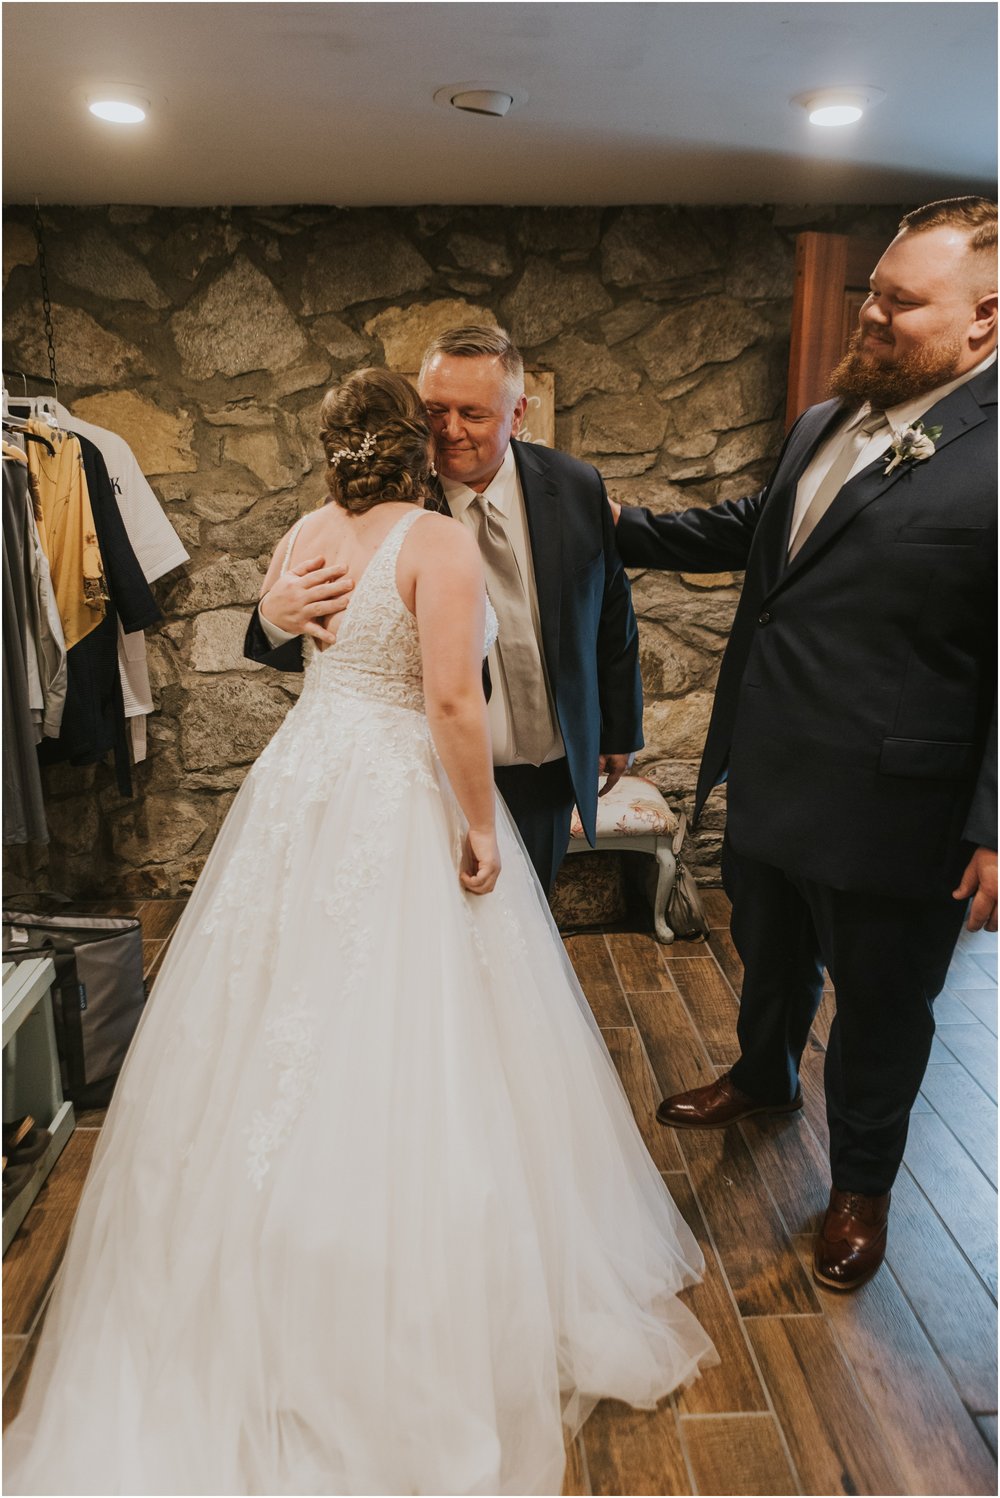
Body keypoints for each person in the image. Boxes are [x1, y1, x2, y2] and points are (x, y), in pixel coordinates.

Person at [5, 369, 713, 1497]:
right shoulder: (436, 544)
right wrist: (479, 824)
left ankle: (250, 1251)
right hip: (391, 781)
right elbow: (448, 701)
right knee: (417, 1014)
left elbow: (299, 646)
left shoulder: (303, 527)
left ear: (331, 447)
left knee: (273, 1002)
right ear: (413, 447)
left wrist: (277, 615)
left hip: (303, 782)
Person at [609, 197, 997, 1293]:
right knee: (769, 949)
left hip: (899, 810)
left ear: (985, 319)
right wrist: (619, 525)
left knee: (879, 1008)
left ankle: (860, 1187)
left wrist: (995, 830)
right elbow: (761, 528)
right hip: (774, 766)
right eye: (870, 288)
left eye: (899, 301)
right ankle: (764, 1075)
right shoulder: (827, 418)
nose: (867, 312)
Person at [244, 325, 643, 895]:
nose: (450, 430)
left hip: (549, 769)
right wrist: (272, 617)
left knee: (521, 947)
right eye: (436, 410)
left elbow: (610, 610)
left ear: (518, 413)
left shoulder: (575, 485)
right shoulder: (382, 509)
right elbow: (331, 650)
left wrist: (619, 727)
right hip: (430, 778)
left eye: (473, 414)